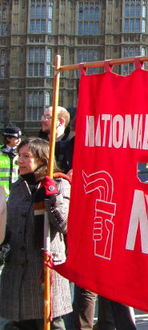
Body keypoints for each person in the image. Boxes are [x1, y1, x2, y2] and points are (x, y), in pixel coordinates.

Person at [0, 137, 72, 329]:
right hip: (17, 273)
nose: (20, 161)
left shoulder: (60, 184)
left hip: (44, 272)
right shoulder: (17, 187)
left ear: (42, 159)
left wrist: (52, 198)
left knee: (50, 323)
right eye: (19, 155)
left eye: (26, 156)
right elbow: (10, 224)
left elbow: (65, 225)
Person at [39, 106, 74, 174]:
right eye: (43, 116)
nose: (43, 120)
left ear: (61, 122)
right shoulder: (38, 144)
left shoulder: (73, 145)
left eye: (48, 117)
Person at [0, 126, 21, 198]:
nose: (19, 140)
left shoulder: (22, 153)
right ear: (8, 138)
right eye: (17, 138)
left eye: (20, 137)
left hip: (16, 193)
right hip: (1, 193)